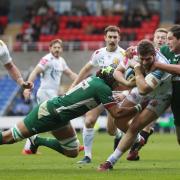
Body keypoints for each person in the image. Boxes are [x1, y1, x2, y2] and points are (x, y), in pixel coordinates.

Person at [0, 66, 142, 160]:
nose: (119, 82)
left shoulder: (97, 82)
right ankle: (33, 138)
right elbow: (117, 113)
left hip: (60, 118)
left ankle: (37, 140)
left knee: (72, 151)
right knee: (8, 138)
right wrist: (139, 108)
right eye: (117, 79)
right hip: (48, 113)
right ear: (111, 79)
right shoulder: (102, 88)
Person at [98, 39, 172, 171]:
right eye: (141, 59)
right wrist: (127, 84)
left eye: (148, 59)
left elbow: (144, 88)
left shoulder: (160, 64)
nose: (144, 62)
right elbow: (117, 72)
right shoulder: (133, 53)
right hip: (142, 86)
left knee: (135, 126)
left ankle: (110, 162)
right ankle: (138, 139)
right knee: (119, 121)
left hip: (162, 95)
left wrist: (136, 67)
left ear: (154, 55)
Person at [70, 25, 127, 164]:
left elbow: (129, 76)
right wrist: (74, 84)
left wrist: (126, 92)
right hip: (98, 91)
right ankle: (87, 156)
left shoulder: (124, 55)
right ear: (105, 38)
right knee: (89, 121)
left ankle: (118, 135)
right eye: (110, 37)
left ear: (119, 38)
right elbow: (86, 68)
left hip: (114, 94)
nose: (112, 39)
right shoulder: (98, 53)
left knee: (111, 130)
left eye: (115, 37)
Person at [21, 38, 78, 154]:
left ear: (61, 49)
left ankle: (29, 147)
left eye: (59, 48)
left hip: (53, 93)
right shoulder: (46, 59)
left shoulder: (61, 61)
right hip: (45, 92)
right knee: (61, 116)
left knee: (40, 121)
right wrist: (27, 88)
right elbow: (35, 72)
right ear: (50, 48)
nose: (57, 49)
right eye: (54, 47)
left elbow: (70, 74)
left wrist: (82, 81)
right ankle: (72, 143)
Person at [126, 27, 168, 161]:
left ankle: (134, 150)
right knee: (134, 121)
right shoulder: (145, 52)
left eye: (164, 38)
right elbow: (131, 54)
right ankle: (134, 145)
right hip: (144, 89)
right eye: (158, 37)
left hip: (162, 92)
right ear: (153, 38)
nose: (160, 40)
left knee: (148, 123)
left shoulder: (169, 54)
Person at [149, 25, 180, 145]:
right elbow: (150, 57)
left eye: (170, 38)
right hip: (174, 97)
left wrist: (158, 65)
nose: (167, 42)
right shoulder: (165, 51)